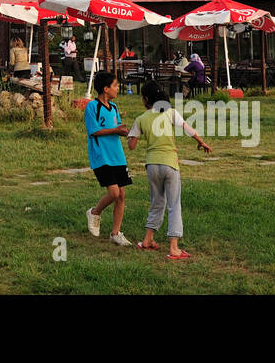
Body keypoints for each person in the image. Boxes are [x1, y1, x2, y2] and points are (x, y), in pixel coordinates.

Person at [128, 80, 211, 260]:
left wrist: (130, 133)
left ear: (146, 99)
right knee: (174, 205)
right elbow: (187, 129)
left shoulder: (141, 119)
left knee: (156, 202)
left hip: (152, 165)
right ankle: (174, 247)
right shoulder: (170, 113)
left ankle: (147, 240)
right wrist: (201, 142)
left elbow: (132, 145)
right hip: (170, 164)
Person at [84, 71, 132, 247]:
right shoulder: (92, 107)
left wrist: (125, 131)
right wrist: (115, 131)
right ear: (105, 89)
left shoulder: (115, 108)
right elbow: (94, 131)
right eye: (115, 86)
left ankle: (115, 233)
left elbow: (116, 127)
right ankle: (95, 212)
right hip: (101, 157)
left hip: (117, 156)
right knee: (114, 193)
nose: (118, 89)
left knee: (121, 195)